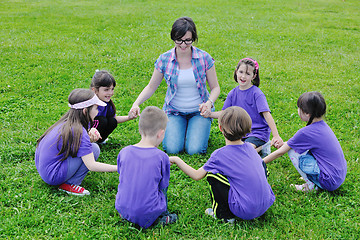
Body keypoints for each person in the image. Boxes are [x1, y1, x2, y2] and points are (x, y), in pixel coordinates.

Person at [129, 16, 220, 155]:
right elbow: (151, 87)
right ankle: (183, 129)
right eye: (179, 40)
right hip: (174, 112)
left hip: (200, 112)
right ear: (173, 38)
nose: (183, 45)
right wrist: (136, 103)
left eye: (188, 40)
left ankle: (195, 128)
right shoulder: (165, 59)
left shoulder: (204, 58)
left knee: (194, 150)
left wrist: (209, 103)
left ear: (193, 38)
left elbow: (215, 88)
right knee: (172, 149)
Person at [170, 106, 275, 222]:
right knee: (260, 164)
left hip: (245, 211)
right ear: (247, 129)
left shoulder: (219, 155)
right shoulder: (251, 148)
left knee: (212, 176)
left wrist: (176, 160)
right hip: (266, 204)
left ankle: (224, 215)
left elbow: (197, 175)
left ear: (220, 128)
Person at [35, 89, 118, 196]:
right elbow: (91, 165)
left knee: (91, 147)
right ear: (85, 111)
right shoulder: (79, 130)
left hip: (44, 169)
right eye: (96, 108)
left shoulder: (70, 121)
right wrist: (119, 168)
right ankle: (70, 184)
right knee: (94, 149)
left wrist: (89, 133)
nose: (98, 112)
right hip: (53, 175)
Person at [263, 92, 347, 192]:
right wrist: (284, 144)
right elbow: (292, 144)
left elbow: (281, 152)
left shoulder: (305, 133)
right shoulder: (323, 126)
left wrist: (259, 163)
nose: (298, 110)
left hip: (328, 181)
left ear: (307, 113)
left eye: (299, 108)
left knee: (292, 151)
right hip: (338, 177)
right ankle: (314, 177)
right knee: (293, 147)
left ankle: (311, 186)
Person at [203, 57, 283, 157]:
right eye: (241, 72)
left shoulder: (257, 94)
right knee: (235, 150)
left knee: (244, 151)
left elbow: (267, 115)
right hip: (240, 132)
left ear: (253, 76)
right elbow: (224, 113)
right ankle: (256, 149)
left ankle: (263, 146)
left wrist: (276, 135)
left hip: (257, 133)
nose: (243, 76)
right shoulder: (233, 93)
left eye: (248, 74)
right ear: (236, 72)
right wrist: (209, 114)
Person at [115, 106, 178, 229]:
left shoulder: (124, 151)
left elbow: (121, 173)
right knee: (161, 188)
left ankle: (128, 215)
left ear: (140, 129)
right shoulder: (162, 156)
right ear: (161, 133)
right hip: (148, 213)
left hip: (123, 209)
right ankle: (162, 217)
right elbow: (163, 185)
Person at [90, 70, 135, 144]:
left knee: (112, 121)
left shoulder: (107, 104)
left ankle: (100, 140)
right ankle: (90, 141)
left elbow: (115, 119)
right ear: (95, 90)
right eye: (106, 90)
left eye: (112, 89)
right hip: (86, 132)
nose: (110, 93)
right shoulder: (89, 104)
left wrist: (129, 117)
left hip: (97, 132)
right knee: (102, 120)